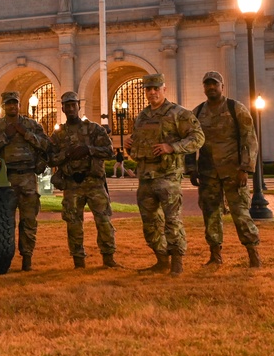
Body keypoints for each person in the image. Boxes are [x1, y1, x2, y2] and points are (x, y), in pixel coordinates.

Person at [125, 73, 204, 276]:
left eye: (156, 88)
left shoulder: (178, 113)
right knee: (150, 223)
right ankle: (161, 260)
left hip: (168, 176)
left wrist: (172, 147)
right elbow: (138, 145)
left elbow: (198, 137)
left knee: (172, 221)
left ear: (164, 89)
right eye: (148, 89)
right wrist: (129, 146)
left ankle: (177, 262)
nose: (152, 92)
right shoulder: (142, 116)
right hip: (146, 177)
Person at [186, 71, 261, 268]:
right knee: (211, 214)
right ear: (204, 88)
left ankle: (253, 254)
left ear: (222, 86)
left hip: (233, 171)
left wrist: (245, 168)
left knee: (241, 213)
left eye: (215, 84)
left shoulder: (236, 108)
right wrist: (192, 168)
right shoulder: (198, 112)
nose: (211, 87)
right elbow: (190, 140)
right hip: (208, 173)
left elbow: (249, 139)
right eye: (207, 84)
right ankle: (215, 255)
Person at [0, 90, 51, 272]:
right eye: (9, 103)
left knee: (29, 221)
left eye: (15, 103)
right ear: (4, 106)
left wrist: (26, 134)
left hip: (28, 177)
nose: (12, 106)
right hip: (6, 179)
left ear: (20, 105)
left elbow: (46, 146)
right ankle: (5, 258)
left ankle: (27, 258)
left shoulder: (31, 125)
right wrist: (6, 136)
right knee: (6, 222)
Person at [49, 91, 117, 269]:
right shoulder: (58, 135)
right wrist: (67, 154)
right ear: (62, 108)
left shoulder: (94, 129)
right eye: (67, 105)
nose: (71, 108)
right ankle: (78, 261)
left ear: (79, 106)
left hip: (94, 182)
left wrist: (88, 149)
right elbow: (51, 158)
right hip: (72, 184)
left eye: (73, 105)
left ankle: (108, 258)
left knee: (104, 221)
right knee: (73, 224)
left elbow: (109, 151)